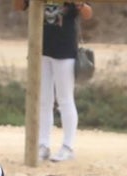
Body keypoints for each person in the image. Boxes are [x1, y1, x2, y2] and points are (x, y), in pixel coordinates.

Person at [17, 1, 93, 162]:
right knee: (44, 100)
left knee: (65, 99)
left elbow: (88, 13)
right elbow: (19, 6)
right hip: (40, 48)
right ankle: (43, 145)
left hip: (65, 50)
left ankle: (68, 146)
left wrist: (78, 4)